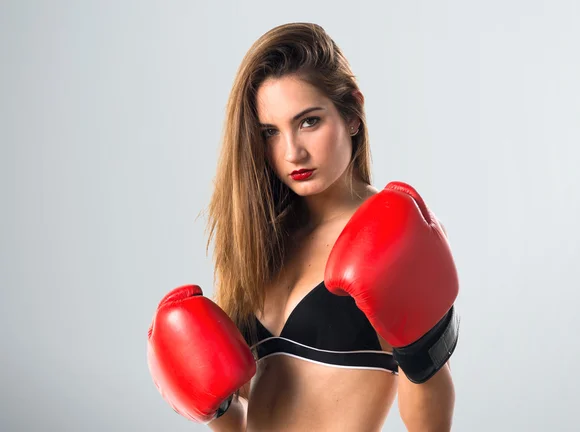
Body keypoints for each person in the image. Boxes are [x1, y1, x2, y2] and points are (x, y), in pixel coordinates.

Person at [147, 22, 460, 431]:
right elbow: (246, 413)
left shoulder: (391, 234)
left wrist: (424, 353)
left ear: (351, 114)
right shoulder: (264, 240)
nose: (292, 151)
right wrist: (219, 411)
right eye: (270, 132)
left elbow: (430, 419)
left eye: (309, 121)